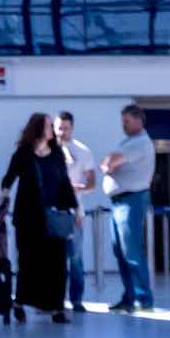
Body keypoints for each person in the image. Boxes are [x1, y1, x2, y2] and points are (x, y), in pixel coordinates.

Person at [0, 112, 79, 324]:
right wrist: (5, 191)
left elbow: (65, 183)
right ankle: (20, 302)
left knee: (57, 263)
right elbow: (9, 177)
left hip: (54, 215)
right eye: (48, 125)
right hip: (28, 217)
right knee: (28, 262)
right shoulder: (23, 153)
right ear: (38, 129)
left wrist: (75, 209)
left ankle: (56, 307)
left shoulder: (56, 154)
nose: (52, 129)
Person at [102, 103, 156, 313]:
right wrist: (109, 163)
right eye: (122, 121)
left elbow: (110, 161)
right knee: (121, 252)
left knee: (131, 251)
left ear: (139, 120)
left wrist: (110, 163)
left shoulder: (140, 142)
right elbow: (107, 162)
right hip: (119, 202)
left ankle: (144, 298)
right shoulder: (128, 141)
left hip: (131, 200)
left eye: (127, 121)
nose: (123, 125)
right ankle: (129, 297)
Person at [56, 111, 99, 313]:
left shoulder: (83, 151)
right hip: (51, 213)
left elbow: (92, 184)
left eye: (65, 127)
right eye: (59, 127)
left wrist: (75, 188)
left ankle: (76, 299)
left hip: (74, 213)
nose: (62, 131)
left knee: (75, 258)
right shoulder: (45, 151)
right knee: (52, 258)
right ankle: (52, 299)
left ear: (72, 128)